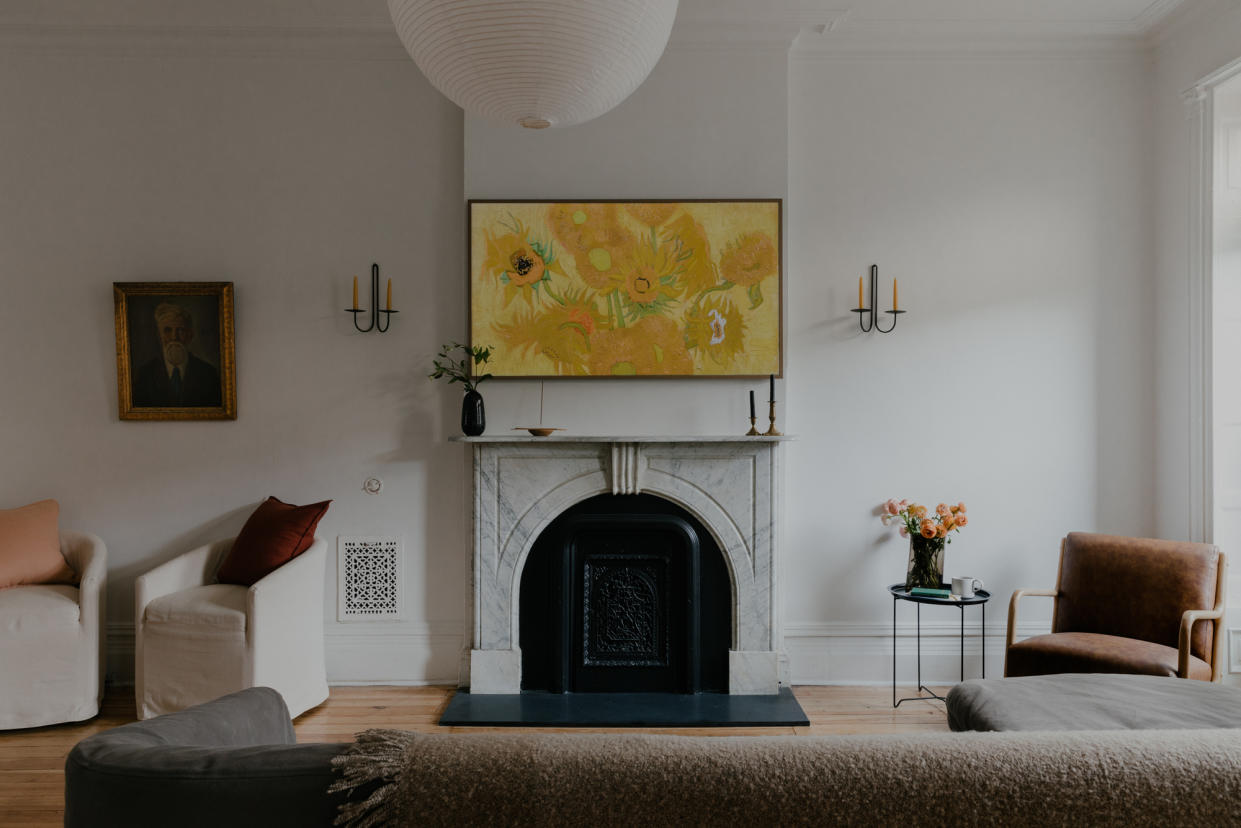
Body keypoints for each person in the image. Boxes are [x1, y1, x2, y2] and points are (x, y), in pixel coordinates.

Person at [131, 302, 222, 408]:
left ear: (190, 335)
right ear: (159, 335)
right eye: (167, 330)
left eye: (181, 330)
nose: (174, 337)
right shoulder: (145, 375)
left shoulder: (208, 374)